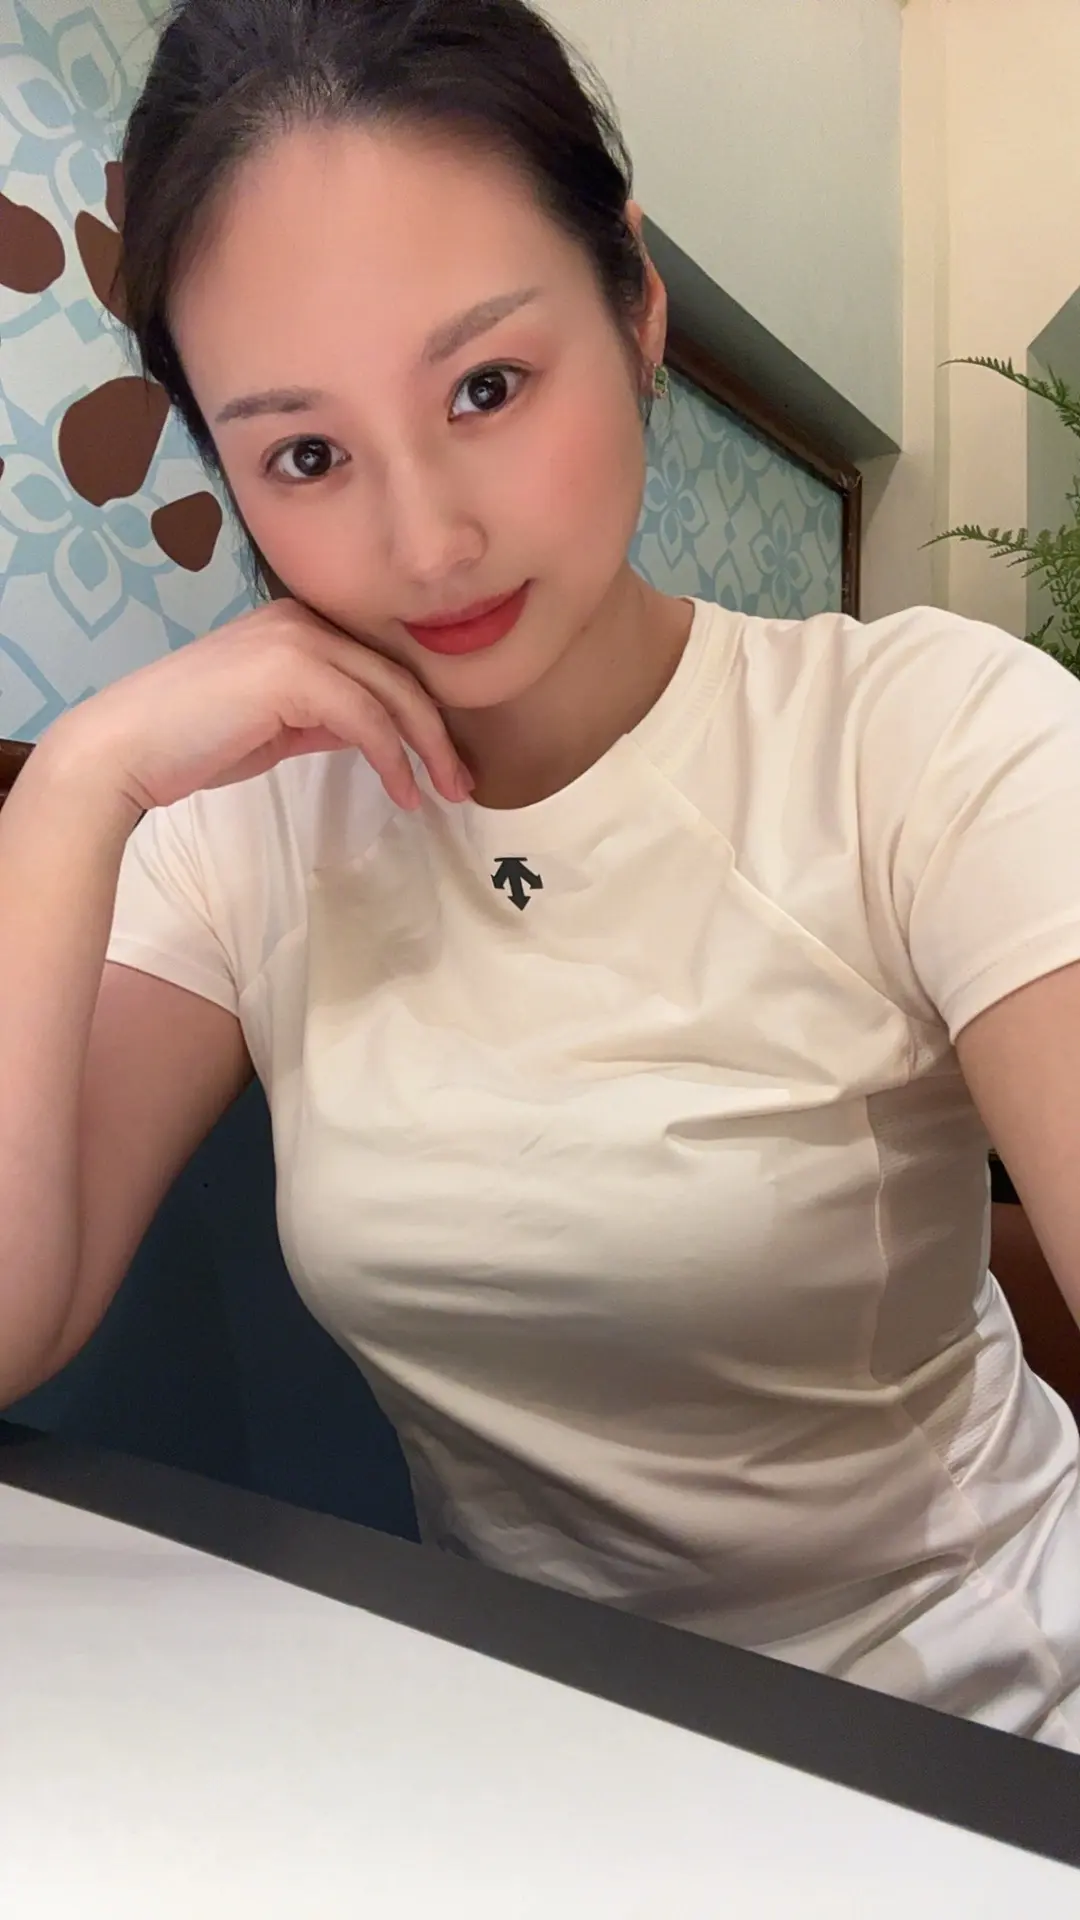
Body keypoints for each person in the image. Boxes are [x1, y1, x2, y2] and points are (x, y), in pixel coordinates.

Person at [2, 0, 1080, 1750]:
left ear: (634, 302)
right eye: (306, 455)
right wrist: (74, 787)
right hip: (545, 1754)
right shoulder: (246, 830)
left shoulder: (926, 738)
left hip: (987, 1744)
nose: (427, 540)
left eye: (487, 387)